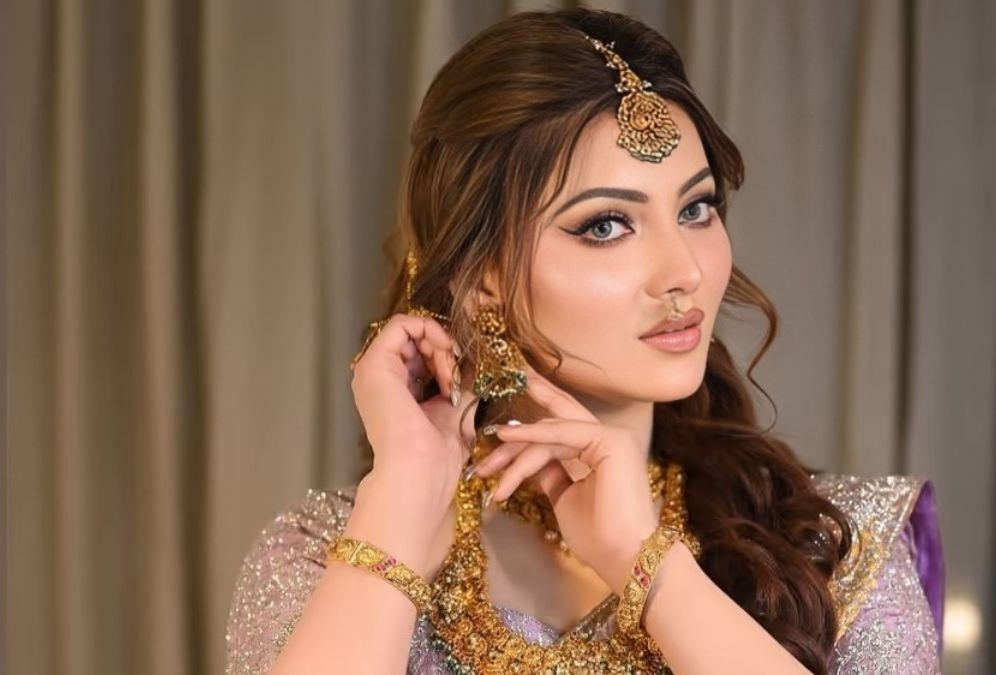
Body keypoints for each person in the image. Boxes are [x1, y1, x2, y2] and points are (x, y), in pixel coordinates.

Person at [224, 8, 943, 674]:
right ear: (480, 279)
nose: (685, 273)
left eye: (697, 208)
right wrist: (400, 505)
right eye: (606, 225)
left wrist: (646, 561)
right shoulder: (323, 553)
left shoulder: (832, 547)